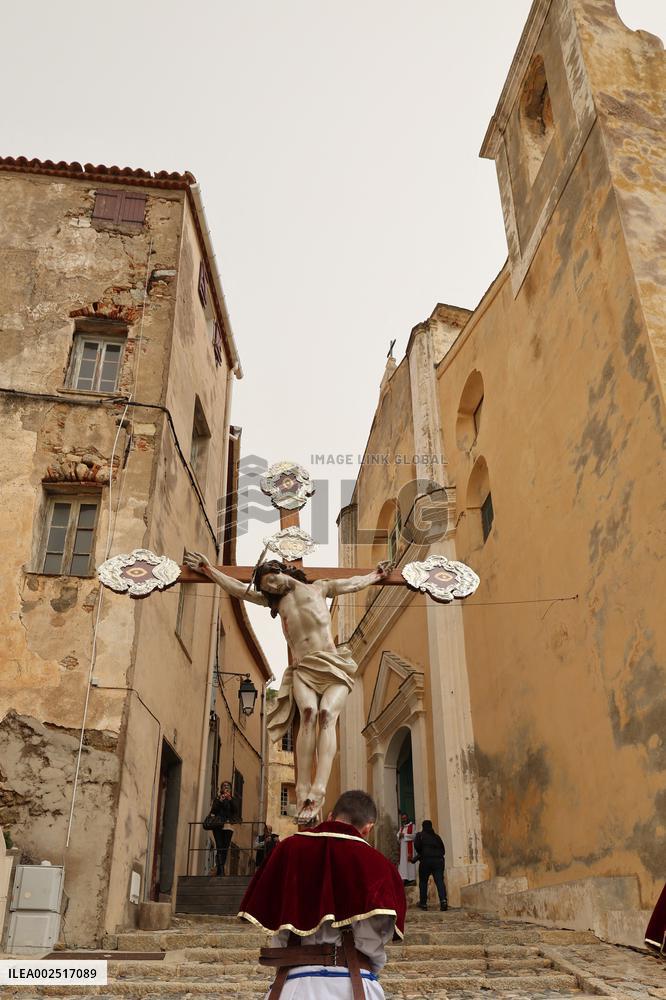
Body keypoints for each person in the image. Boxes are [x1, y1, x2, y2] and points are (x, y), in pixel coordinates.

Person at [184, 551, 392, 823]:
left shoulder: (321, 588)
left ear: (281, 571)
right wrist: (209, 570)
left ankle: (319, 790)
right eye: (266, 587)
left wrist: (376, 575)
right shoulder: (277, 603)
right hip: (304, 669)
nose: (271, 587)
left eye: (271, 580)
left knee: (327, 715)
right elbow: (238, 590)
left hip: (333, 664)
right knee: (308, 714)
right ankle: (304, 790)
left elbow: (352, 583)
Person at [238, 789, 406, 999]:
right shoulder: (382, 867)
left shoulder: (287, 850)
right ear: (368, 828)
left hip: (294, 984)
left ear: (329, 817)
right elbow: (384, 932)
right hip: (357, 986)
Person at [414, 819, 448, 911]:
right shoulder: (437, 837)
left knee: (423, 882)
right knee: (439, 881)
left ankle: (423, 903)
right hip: (438, 861)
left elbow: (417, 846)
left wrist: (422, 853)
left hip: (425, 861)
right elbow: (443, 850)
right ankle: (443, 900)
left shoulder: (420, 835)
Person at [209, 781, 236, 876]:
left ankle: (220, 868)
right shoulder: (217, 798)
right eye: (224, 786)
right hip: (218, 825)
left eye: (228, 786)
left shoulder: (232, 799)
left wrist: (230, 800)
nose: (226, 787)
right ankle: (221, 869)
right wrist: (220, 801)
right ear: (221, 788)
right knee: (219, 846)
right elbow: (213, 811)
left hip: (228, 826)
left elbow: (235, 811)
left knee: (225, 847)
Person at [397, 812, 416, 885]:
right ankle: (404, 878)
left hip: (409, 848)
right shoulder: (402, 828)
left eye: (405, 818)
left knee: (410, 863)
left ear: (408, 818)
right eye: (402, 819)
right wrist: (399, 835)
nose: (404, 820)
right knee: (403, 864)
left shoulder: (413, 826)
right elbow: (398, 836)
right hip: (402, 849)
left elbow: (414, 836)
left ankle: (411, 878)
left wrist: (404, 835)